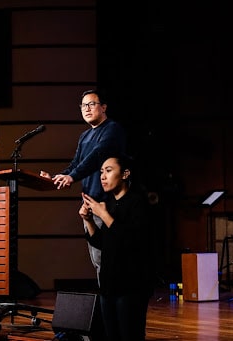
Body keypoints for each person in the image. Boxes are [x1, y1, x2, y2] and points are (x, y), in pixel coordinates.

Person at [40, 89, 126, 285]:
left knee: (109, 260)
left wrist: (72, 176)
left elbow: (96, 157)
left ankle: (114, 308)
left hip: (107, 205)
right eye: (83, 106)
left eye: (92, 104)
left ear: (104, 107)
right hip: (89, 206)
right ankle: (107, 307)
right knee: (98, 261)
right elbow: (75, 165)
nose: (87, 109)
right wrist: (56, 178)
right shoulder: (84, 136)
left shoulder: (112, 129)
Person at [79, 153, 155, 341]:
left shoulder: (138, 202)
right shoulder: (110, 204)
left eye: (109, 170)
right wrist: (89, 220)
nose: (103, 176)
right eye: (101, 172)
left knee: (130, 335)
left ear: (125, 174)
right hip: (108, 284)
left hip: (131, 285)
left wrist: (103, 215)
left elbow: (133, 241)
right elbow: (102, 243)